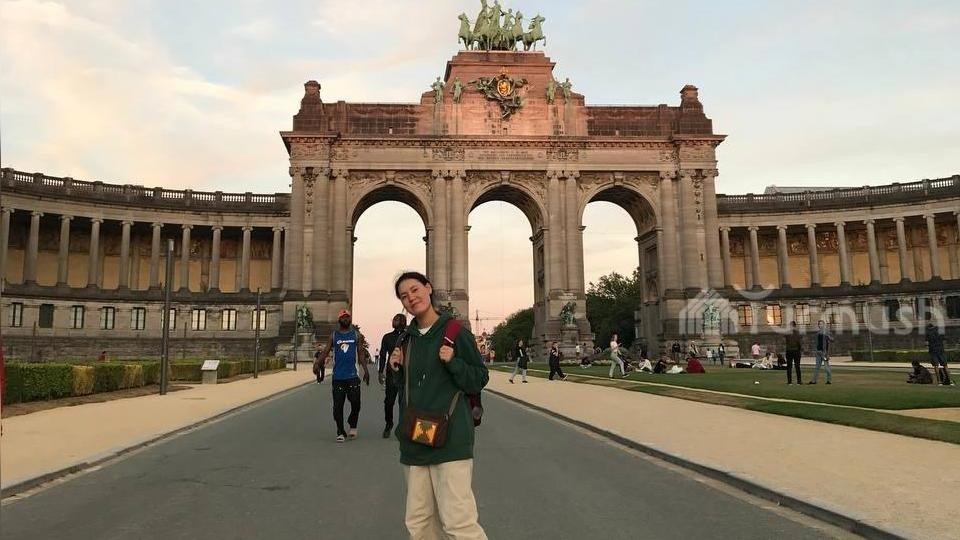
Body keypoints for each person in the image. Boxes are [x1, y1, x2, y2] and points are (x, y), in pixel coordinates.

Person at [388, 271, 489, 539]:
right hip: (416, 440)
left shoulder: (456, 332)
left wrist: (453, 362)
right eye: (404, 296)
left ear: (429, 288)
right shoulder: (405, 339)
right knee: (419, 524)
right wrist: (396, 369)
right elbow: (409, 389)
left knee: (459, 524)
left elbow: (478, 379)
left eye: (415, 290)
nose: (411, 298)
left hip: (450, 441)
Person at [316, 309, 371, 442]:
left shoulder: (356, 335)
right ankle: (340, 432)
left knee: (356, 404)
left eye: (347, 317)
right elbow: (326, 351)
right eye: (343, 317)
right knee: (337, 407)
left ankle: (352, 423)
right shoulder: (334, 335)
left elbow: (361, 353)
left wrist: (366, 370)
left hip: (353, 375)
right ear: (339, 320)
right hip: (338, 377)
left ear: (350, 319)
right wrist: (317, 363)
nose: (346, 319)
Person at [378, 313, 407, 439]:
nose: (393, 321)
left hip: (405, 374)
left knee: (403, 402)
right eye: (393, 319)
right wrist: (380, 371)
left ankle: (403, 427)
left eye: (396, 319)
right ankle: (389, 424)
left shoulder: (408, 336)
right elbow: (382, 355)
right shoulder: (387, 337)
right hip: (391, 374)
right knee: (389, 402)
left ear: (403, 322)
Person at [808, 320, 833, 385]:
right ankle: (814, 381)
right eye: (819, 324)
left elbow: (831, 341)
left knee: (826, 367)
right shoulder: (817, 334)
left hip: (824, 353)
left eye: (821, 324)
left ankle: (829, 380)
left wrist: (828, 353)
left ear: (824, 325)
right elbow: (816, 343)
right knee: (817, 367)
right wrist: (816, 350)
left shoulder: (827, 333)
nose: (820, 325)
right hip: (818, 352)